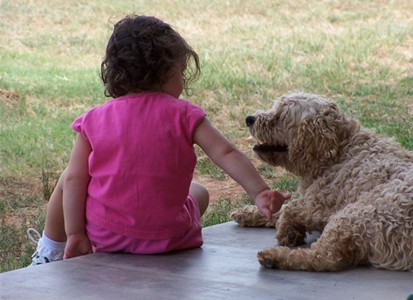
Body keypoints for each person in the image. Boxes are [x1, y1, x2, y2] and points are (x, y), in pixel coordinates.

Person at [28, 14, 290, 265]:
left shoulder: (93, 120)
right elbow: (226, 153)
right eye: (181, 72)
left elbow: (75, 179)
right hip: (171, 239)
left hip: (105, 237)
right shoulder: (186, 114)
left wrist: (76, 234)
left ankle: (50, 251)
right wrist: (260, 192)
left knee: (68, 177)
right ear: (167, 71)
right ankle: (54, 248)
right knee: (199, 191)